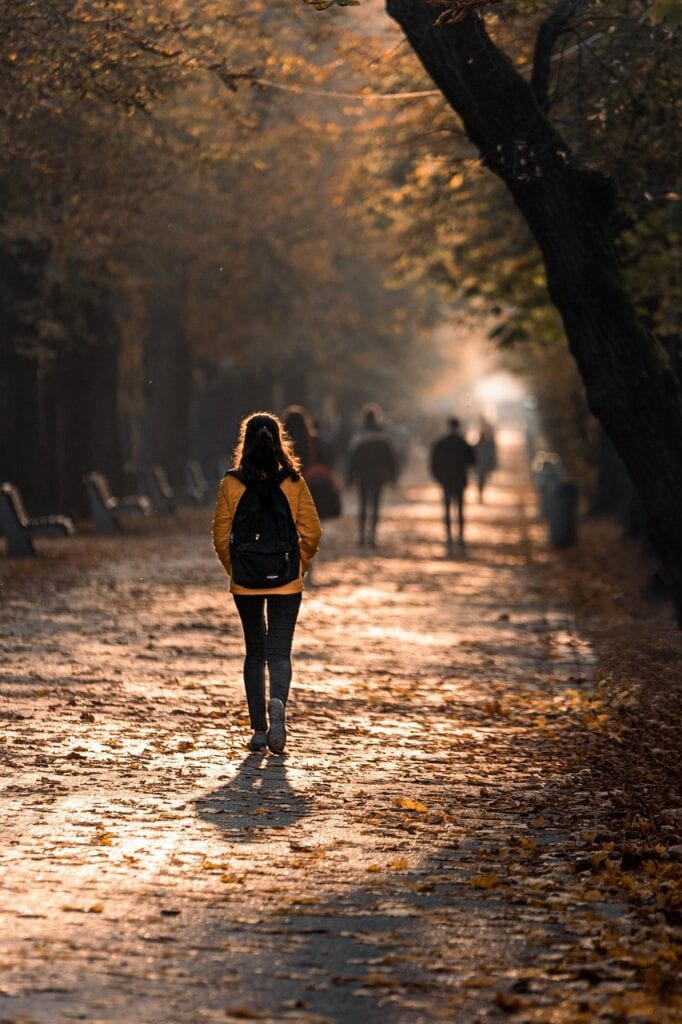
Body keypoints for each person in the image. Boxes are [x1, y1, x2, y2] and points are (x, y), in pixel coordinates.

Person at [212, 412, 322, 754]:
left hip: (246, 582)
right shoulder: (293, 482)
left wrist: (236, 568)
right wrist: (298, 565)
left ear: (245, 442)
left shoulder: (231, 483)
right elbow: (313, 532)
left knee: (254, 653)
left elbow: (219, 536)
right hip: (286, 581)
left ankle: (258, 731)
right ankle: (278, 706)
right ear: (280, 441)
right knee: (279, 652)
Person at [346, 403, 398, 548]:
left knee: (362, 505)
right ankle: (372, 536)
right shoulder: (383, 435)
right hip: (378, 475)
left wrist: (349, 478)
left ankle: (362, 536)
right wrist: (393, 477)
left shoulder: (359, 435)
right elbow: (390, 458)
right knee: (375, 505)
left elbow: (353, 459)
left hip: (362, 475)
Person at [430, 417, 475, 552]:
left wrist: (438, 477)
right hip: (460, 480)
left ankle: (449, 536)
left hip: (446, 480)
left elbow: (434, 463)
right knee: (460, 509)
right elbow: (472, 461)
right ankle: (460, 536)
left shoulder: (440, 443)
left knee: (447, 508)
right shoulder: (463, 443)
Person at [474, 419, 498, 502]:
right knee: (481, 481)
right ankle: (480, 494)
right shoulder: (482, 444)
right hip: (481, 466)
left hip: (481, 466)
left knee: (481, 481)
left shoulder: (482, 444)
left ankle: (480, 494)